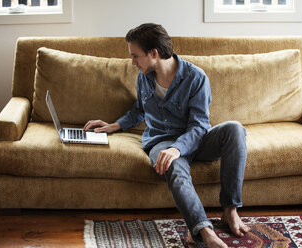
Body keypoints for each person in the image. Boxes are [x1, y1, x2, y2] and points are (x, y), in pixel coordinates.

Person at [84, 23, 250, 248]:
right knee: (171, 164)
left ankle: (230, 211)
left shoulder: (196, 78)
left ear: (154, 53)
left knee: (235, 129)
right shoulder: (144, 76)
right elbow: (139, 109)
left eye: (136, 56)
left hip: (195, 140)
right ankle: (204, 231)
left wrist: (178, 148)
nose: (132, 62)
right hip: (160, 141)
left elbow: (199, 127)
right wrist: (114, 125)